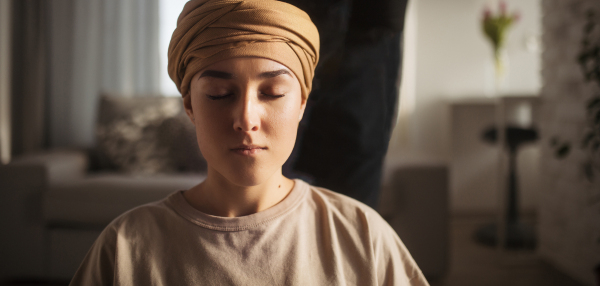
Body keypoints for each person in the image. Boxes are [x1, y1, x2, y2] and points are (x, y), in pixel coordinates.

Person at [70, 0, 428, 285]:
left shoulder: (364, 236)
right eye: (220, 94)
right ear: (189, 105)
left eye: (272, 93)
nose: (246, 119)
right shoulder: (124, 248)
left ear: (302, 101)